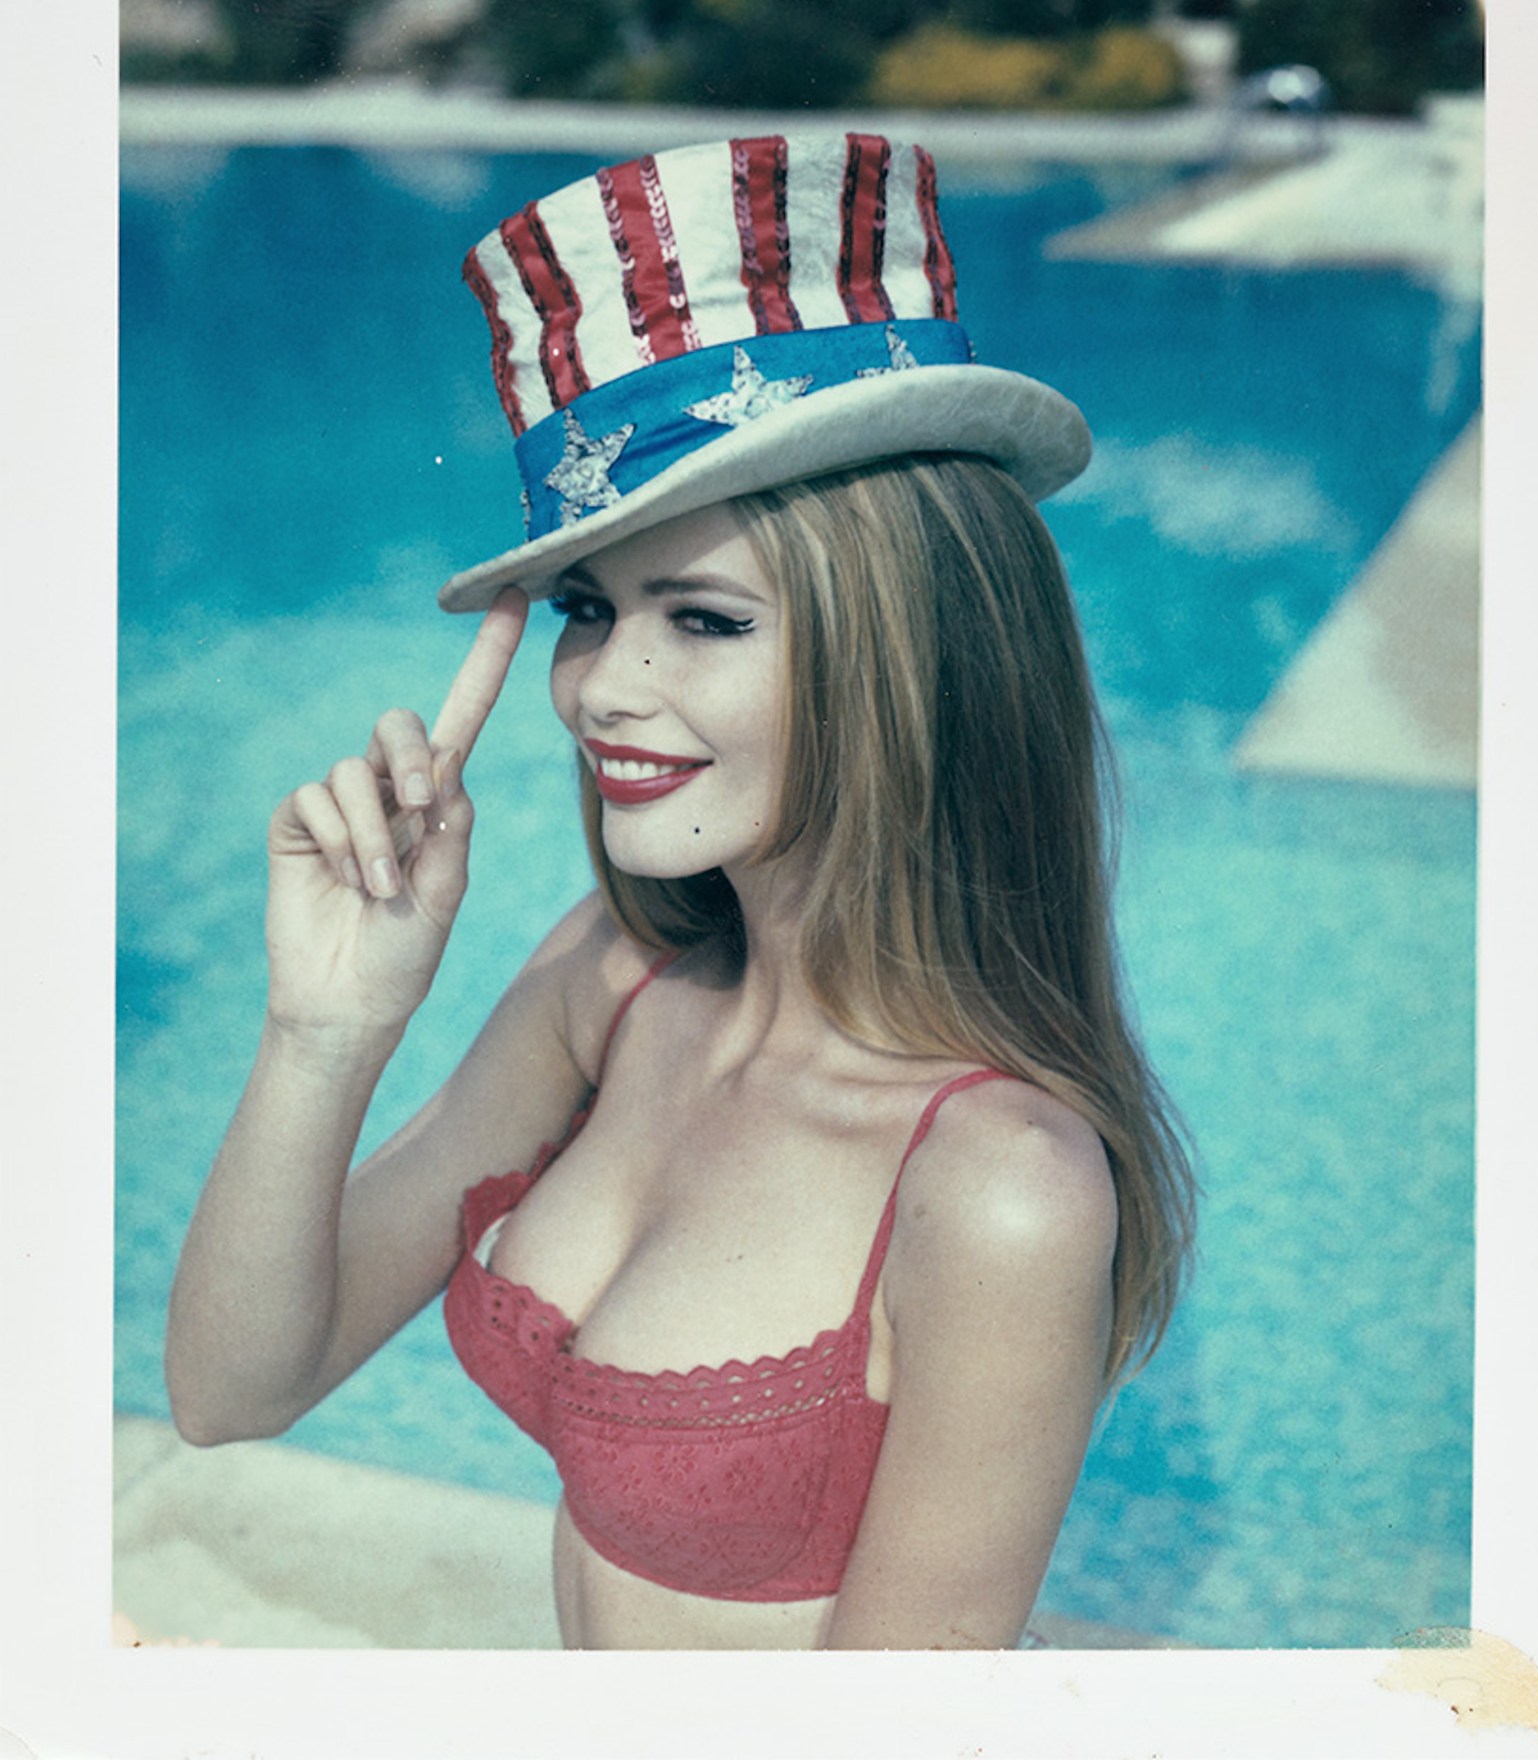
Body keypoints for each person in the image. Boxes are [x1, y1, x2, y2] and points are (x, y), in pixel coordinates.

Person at [166, 132, 1194, 1651]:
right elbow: (232, 1391)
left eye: (700, 619)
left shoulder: (996, 1187)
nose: (600, 690)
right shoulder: (613, 983)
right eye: (590, 610)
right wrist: (326, 1030)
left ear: (913, 652)